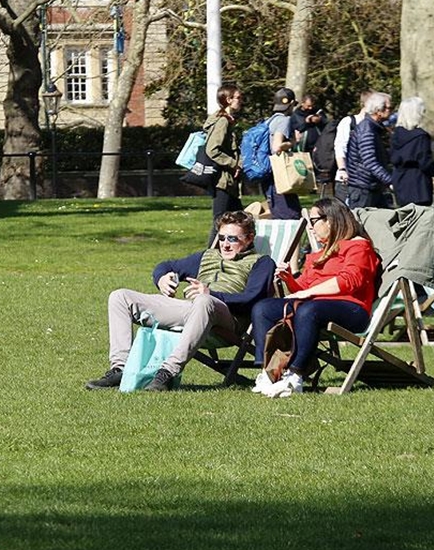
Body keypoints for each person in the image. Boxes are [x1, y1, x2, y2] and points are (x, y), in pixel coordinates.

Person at [86, 211, 277, 392]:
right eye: (221, 238)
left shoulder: (261, 262)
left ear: (250, 238)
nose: (225, 244)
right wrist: (161, 278)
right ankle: (120, 369)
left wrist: (211, 293)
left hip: (227, 317)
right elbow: (167, 265)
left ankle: (167, 372)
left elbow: (252, 298)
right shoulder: (206, 256)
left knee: (204, 300)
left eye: (232, 239)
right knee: (120, 297)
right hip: (191, 310)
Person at [251, 197, 380, 397]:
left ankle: (295, 376)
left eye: (313, 221)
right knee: (263, 308)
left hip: (352, 309)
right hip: (314, 305)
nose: (310, 227)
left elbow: (350, 280)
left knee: (308, 309)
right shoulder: (322, 253)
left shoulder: (358, 246)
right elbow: (303, 286)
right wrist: (289, 279)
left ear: (330, 220)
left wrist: (309, 293)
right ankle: (268, 373)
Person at [204, 83, 245, 245]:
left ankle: (241, 252)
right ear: (228, 100)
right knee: (220, 220)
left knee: (239, 219)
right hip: (222, 181)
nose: (240, 101)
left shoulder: (227, 120)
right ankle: (208, 257)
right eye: (238, 98)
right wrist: (233, 164)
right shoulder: (223, 122)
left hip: (228, 181)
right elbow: (212, 149)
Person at [343, 92, 394, 209]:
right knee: (360, 225)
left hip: (372, 187)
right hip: (363, 189)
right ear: (378, 110)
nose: (391, 111)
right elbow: (369, 161)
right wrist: (389, 180)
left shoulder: (374, 128)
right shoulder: (367, 130)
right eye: (389, 108)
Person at [388, 97, 434, 207]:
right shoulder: (421, 137)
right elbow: (424, 162)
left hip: (400, 181)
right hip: (418, 183)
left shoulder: (396, 135)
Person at [265, 87, 302, 220]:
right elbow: (277, 147)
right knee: (290, 216)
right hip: (279, 174)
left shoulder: (270, 120)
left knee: (278, 214)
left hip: (269, 174)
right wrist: (293, 141)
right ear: (291, 104)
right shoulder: (284, 120)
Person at [332, 90, 372, 200]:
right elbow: (340, 147)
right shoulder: (349, 122)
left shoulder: (375, 126)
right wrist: (342, 169)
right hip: (348, 180)